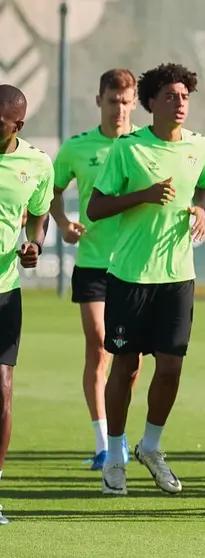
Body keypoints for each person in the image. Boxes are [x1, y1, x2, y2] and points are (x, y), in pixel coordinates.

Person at [87, 63, 205, 496]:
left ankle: (151, 447)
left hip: (178, 277)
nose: (180, 104)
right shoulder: (129, 148)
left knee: (171, 367)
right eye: (171, 96)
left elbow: (204, 187)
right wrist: (143, 195)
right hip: (130, 276)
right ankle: (115, 456)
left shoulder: (200, 145)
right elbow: (96, 208)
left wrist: (200, 208)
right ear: (151, 102)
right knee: (126, 368)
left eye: (185, 96)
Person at [51, 69, 139, 470]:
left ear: (135, 103)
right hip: (92, 264)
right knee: (100, 345)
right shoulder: (76, 147)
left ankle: (119, 432)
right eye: (112, 101)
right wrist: (63, 223)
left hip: (135, 266)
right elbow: (51, 191)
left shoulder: (144, 145)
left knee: (129, 355)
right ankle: (104, 443)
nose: (119, 109)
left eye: (125, 102)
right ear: (99, 100)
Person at [0, 84, 55, 525]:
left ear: (18, 125)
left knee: (2, 390)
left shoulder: (37, 163)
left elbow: (39, 214)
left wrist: (34, 244)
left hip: (4, 289)